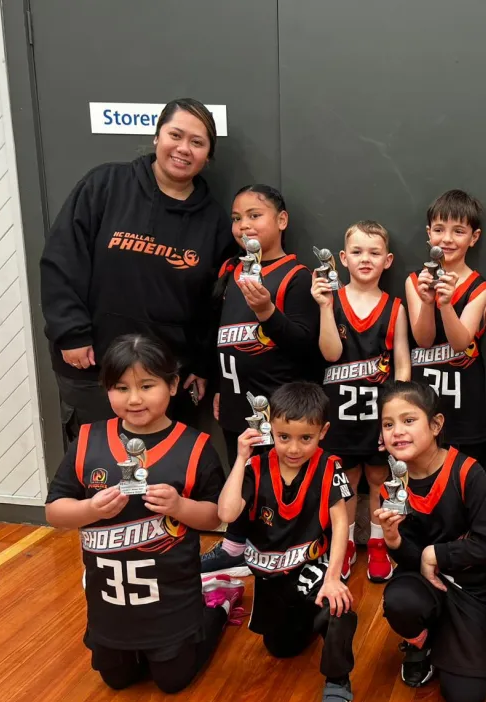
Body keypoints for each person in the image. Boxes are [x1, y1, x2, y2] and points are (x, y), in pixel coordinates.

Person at [44, 334, 244, 694]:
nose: (134, 399)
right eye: (121, 387)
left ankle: (217, 603)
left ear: (171, 385)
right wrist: (89, 509)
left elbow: (215, 517)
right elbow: (55, 512)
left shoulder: (196, 447)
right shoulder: (88, 440)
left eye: (147, 385)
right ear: (107, 389)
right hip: (110, 607)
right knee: (116, 682)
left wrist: (180, 507)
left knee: (172, 682)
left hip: (171, 604)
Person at [40, 98, 237, 442]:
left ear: (208, 155)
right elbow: (62, 259)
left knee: (160, 480)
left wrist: (203, 366)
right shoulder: (105, 184)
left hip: (165, 378)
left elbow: (214, 306)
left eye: (197, 142)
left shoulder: (216, 223)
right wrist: (71, 332)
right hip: (92, 367)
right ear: (157, 137)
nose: (183, 149)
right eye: (176, 135)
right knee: (98, 473)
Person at [217, 381, 356, 702]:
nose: (294, 448)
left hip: (314, 568)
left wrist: (334, 576)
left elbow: (341, 525)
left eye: (305, 438)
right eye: (284, 437)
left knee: (338, 606)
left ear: (322, 432)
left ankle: (338, 684)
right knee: (280, 649)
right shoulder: (258, 467)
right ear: (271, 431)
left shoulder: (329, 466)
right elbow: (227, 511)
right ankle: (308, 621)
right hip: (272, 577)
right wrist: (240, 459)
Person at [202, 184, 319, 578]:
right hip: (235, 398)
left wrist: (268, 311)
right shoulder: (230, 271)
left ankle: (284, 548)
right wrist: (219, 386)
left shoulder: (296, 276)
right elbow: (220, 336)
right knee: (242, 472)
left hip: (278, 405)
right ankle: (235, 546)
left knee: (276, 480)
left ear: (281, 220)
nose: (243, 225)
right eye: (236, 218)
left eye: (255, 215)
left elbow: (307, 347)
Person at [374, 380, 486, 702]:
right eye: (388, 424)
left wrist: (437, 554)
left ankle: (455, 633)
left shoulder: (467, 472)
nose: (397, 431)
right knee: (400, 600)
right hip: (422, 585)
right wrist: (394, 541)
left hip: (469, 588)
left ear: (435, 424)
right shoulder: (392, 486)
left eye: (408, 420)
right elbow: (410, 560)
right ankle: (420, 644)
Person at [312, 220, 410, 583]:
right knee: (347, 480)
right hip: (338, 414)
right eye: (356, 252)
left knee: (379, 477)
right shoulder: (331, 301)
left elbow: (402, 364)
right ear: (342, 259)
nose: (365, 259)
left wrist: (397, 418)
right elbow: (330, 353)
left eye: (373, 252)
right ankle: (348, 541)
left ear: (387, 260)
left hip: (378, 415)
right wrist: (324, 308)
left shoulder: (395, 307)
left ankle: (380, 543)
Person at [406, 190, 486, 466]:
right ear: (429, 234)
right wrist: (427, 301)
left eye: (458, 231)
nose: (447, 239)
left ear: (473, 237)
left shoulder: (480, 288)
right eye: (440, 230)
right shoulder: (414, 281)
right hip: (424, 404)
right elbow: (424, 339)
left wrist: (446, 304)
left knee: (464, 480)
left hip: (464, 406)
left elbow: (460, 342)